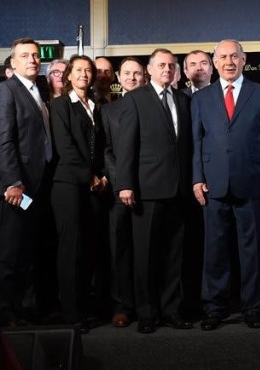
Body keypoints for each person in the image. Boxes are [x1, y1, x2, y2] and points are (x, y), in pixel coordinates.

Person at [191, 39, 260, 330]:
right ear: (214, 62)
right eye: (223, 57)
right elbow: (196, 142)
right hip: (213, 185)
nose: (229, 62)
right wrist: (196, 178)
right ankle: (214, 308)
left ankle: (252, 307)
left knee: (252, 249)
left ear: (244, 60)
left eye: (235, 56)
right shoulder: (201, 98)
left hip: (253, 183)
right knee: (214, 250)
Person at [115, 48, 193, 334]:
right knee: (145, 256)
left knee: (175, 255)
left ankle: (172, 310)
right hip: (146, 189)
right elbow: (126, 145)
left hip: (178, 189)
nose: (167, 70)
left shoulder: (184, 100)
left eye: (171, 66)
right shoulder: (135, 99)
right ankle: (147, 312)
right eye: (161, 65)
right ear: (149, 70)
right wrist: (125, 183)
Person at [0, 38, 56, 326]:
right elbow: (3, 140)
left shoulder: (37, 91)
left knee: (28, 252)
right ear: (13, 62)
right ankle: (4, 314)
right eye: (25, 56)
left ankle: (26, 310)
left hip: (37, 187)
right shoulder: (5, 91)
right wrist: (13, 182)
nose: (32, 59)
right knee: (9, 255)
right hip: (15, 188)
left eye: (35, 55)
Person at [50, 55, 107, 332]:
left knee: (88, 249)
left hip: (94, 188)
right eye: (79, 70)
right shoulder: (60, 106)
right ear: (68, 76)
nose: (84, 74)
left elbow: (103, 146)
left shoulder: (97, 107)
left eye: (88, 70)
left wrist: (102, 175)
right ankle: (71, 313)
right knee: (71, 250)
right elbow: (66, 147)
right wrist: (89, 177)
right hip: (69, 186)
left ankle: (85, 307)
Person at [102, 56, 146, 328]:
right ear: (119, 78)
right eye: (127, 73)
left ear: (145, 76)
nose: (131, 78)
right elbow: (107, 151)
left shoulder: (158, 105)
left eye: (137, 73)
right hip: (120, 191)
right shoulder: (108, 111)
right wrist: (123, 184)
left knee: (149, 250)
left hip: (152, 188)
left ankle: (148, 304)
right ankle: (122, 305)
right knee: (120, 249)